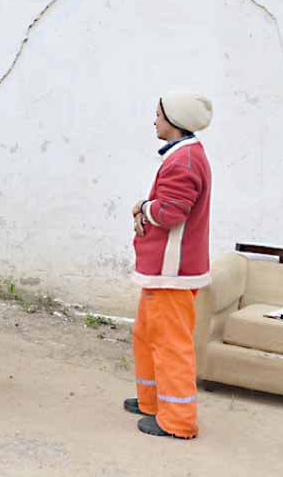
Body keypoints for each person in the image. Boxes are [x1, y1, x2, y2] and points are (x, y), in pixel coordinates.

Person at [126, 93, 214, 439]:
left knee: (170, 343)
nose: (154, 120)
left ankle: (177, 420)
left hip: (171, 272)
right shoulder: (184, 156)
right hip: (163, 269)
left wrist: (143, 208)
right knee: (146, 335)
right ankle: (152, 402)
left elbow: (172, 212)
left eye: (158, 114)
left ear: (175, 121)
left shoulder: (184, 162)